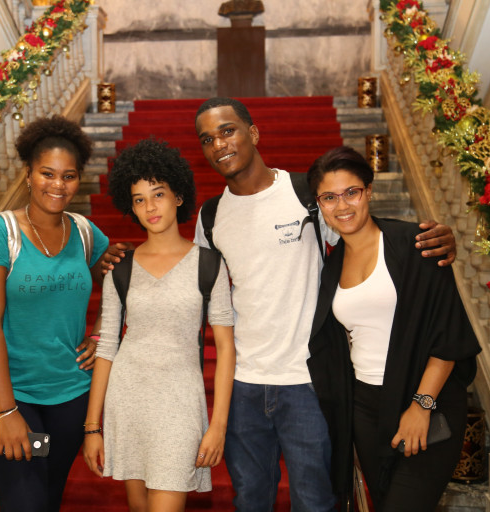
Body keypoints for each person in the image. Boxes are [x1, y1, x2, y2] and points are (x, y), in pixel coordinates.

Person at [190, 97, 457, 511]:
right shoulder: (210, 217)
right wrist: (116, 260)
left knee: (316, 502)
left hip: (309, 382)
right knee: (250, 501)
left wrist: (430, 239)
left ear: (253, 133)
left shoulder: (306, 195)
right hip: (243, 384)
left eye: (228, 131)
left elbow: (364, 232)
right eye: (207, 139)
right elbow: (195, 291)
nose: (219, 144)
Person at [306, 146, 480, 511]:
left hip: (426, 398)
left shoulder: (415, 243)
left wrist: (422, 404)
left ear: (369, 191)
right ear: (319, 204)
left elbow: (447, 333)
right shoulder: (332, 267)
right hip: (366, 409)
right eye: (329, 197)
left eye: (351, 192)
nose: (342, 205)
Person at [0, 115, 110, 511]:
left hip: (68, 396)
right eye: (47, 173)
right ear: (28, 174)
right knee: (25, 500)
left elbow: (123, 282)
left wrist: (100, 334)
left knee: (47, 494)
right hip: (12, 396)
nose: (58, 185)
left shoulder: (85, 232)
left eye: (68, 176)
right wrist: (6, 411)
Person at [83, 139, 236, 512]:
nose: (150, 207)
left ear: (178, 196)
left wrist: (218, 426)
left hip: (181, 403)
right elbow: (107, 347)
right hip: (128, 400)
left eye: (158, 194)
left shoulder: (209, 264)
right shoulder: (120, 268)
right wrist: (92, 427)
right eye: (139, 199)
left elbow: (226, 348)